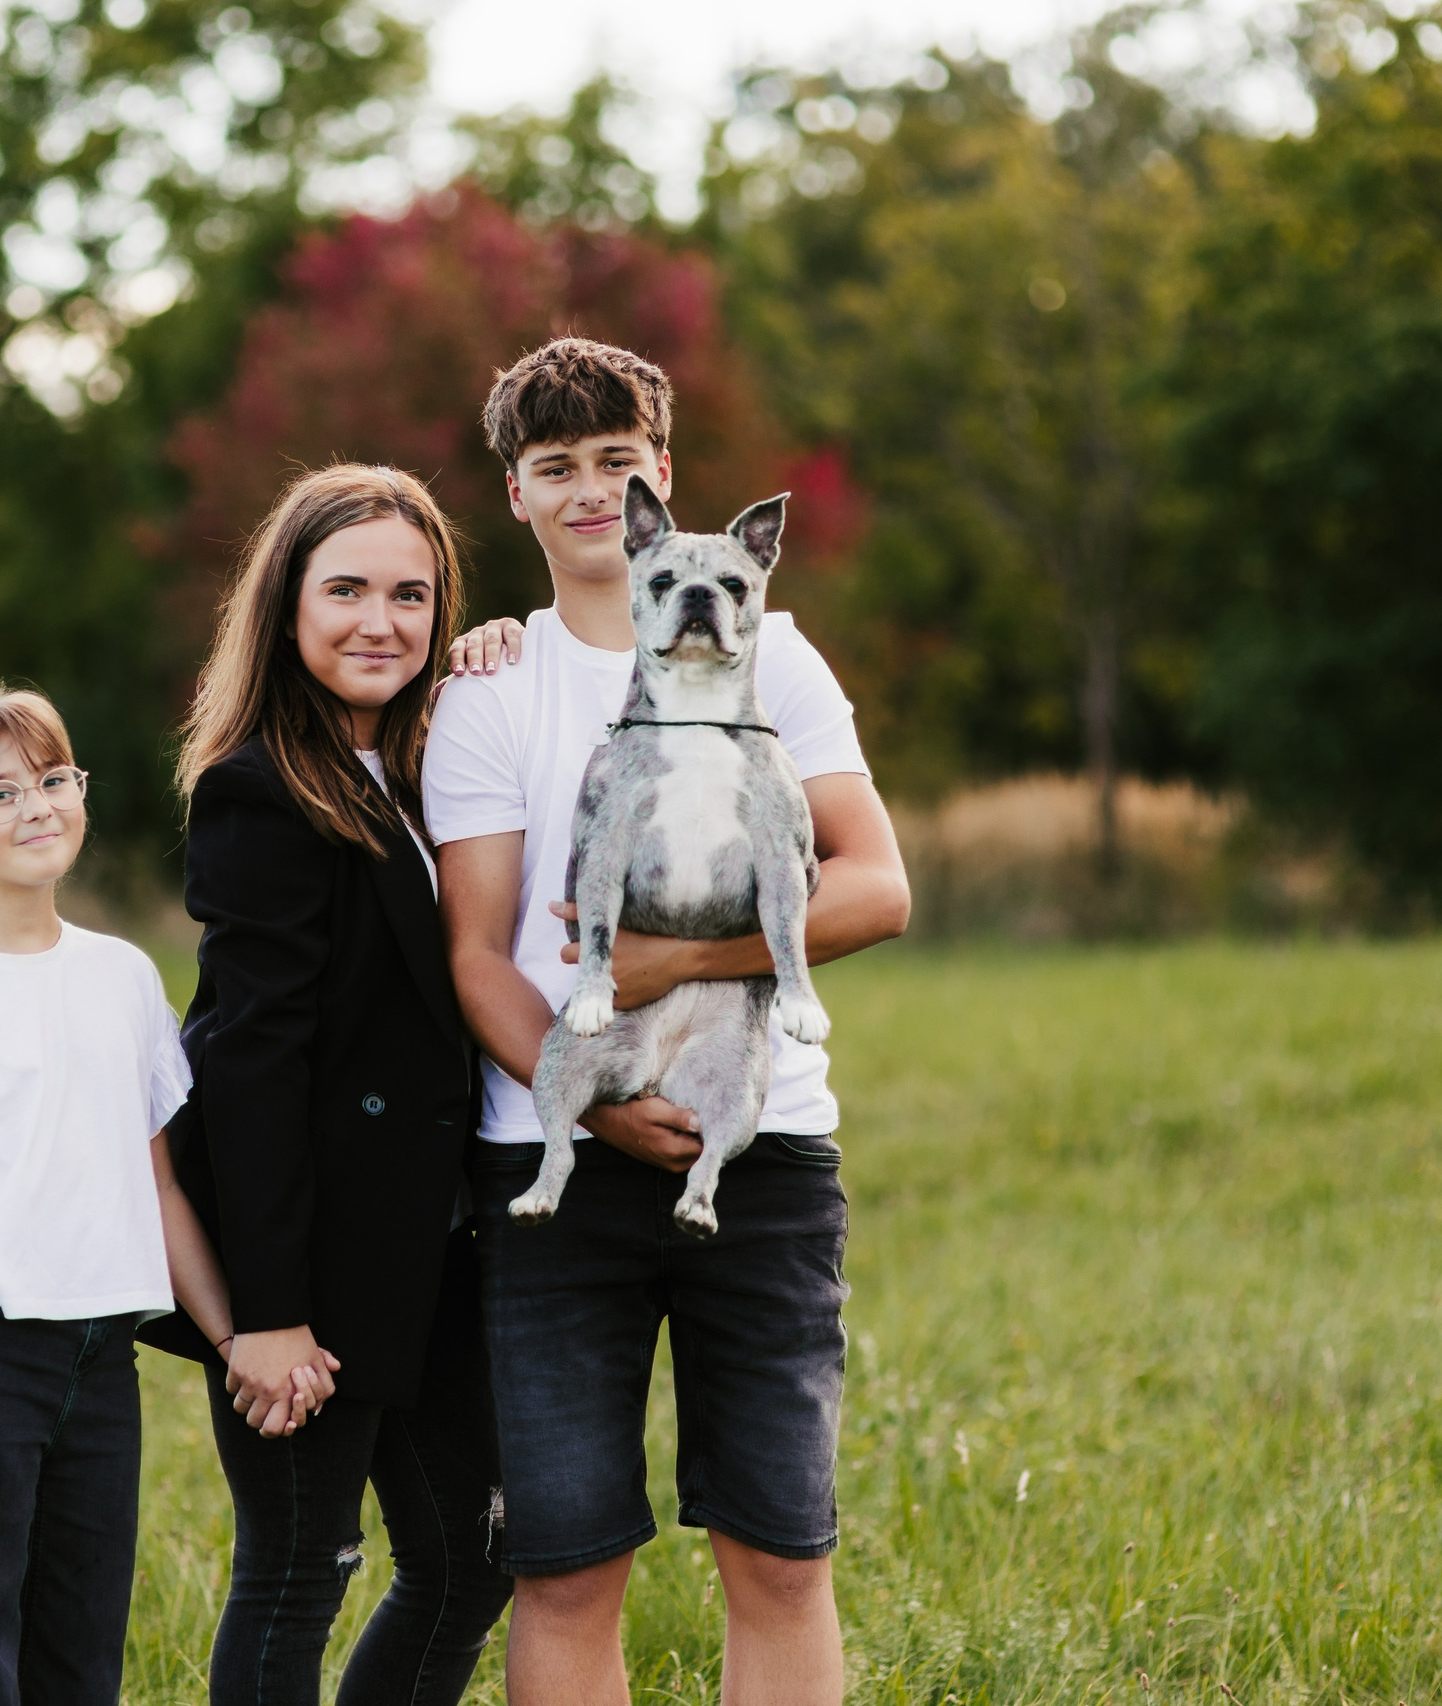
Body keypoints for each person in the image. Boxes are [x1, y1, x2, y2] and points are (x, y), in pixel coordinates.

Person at [425, 338, 913, 1706]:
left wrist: (670, 960)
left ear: (663, 474)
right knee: (564, 1567)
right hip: (553, 1166)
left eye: (614, 459)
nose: (589, 488)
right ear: (516, 493)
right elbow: (475, 954)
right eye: (556, 467)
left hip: (762, 1151)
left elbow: (877, 885)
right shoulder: (486, 691)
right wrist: (600, 1098)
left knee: (781, 1554)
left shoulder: (782, 656)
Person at [0, 685, 313, 1706]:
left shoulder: (121, 977)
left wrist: (233, 1340)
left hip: (102, 1365)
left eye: (52, 779)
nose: (35, 806)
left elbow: (158, 1189)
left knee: (80, 1669)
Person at [142, 463, 515, 1706]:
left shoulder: (428, 763)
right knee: (302, 1567)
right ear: (285, 604)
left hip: (430, 1242)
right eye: (345, 588)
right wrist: (267, 1312)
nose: (379, 621)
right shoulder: (259, 787)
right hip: (309, 1257)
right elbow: (248, 1063)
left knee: (471, 1559)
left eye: (411, 595)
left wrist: (503, 655)